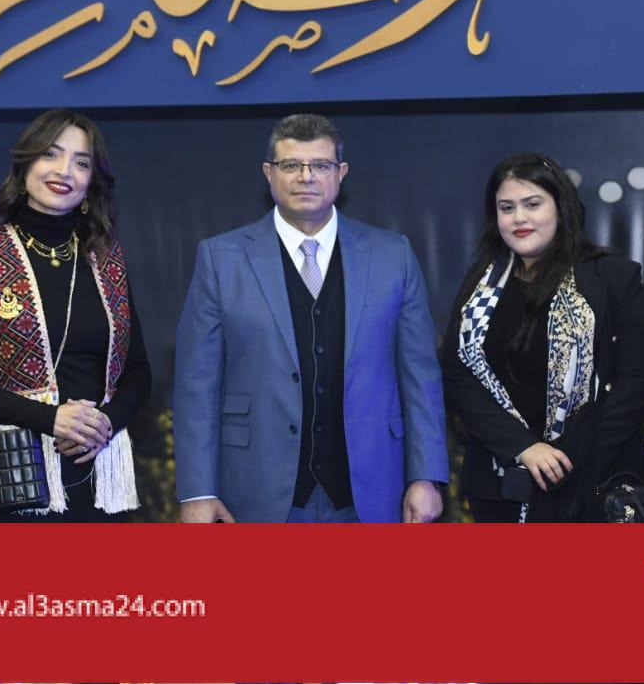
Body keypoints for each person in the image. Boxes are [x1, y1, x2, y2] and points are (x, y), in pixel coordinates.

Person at [173, 113, 448, 523]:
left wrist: (426, 476)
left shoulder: (394, 255)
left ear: (341, 173)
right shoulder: (220, 258)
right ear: (269, 174)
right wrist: (198, 491)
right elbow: (197, 385)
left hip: (372, 489)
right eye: (291, 165)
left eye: (320, 165)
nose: (306, 177)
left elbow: (420, 378)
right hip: (256, 491)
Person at [0, 109, 149, 521]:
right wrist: (52, 419)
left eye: (81, 162)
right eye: (51, 154)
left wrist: (104, 424)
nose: (64, 170)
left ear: (91, 182)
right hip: (15, 472)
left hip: (96, 467)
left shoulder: (106, 261)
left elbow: (138, 372)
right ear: (26, 165)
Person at [444, 153, 644, 522]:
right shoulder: (480, 285)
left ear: (561, 207)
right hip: (501, 485)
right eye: (507, 207)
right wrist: (523, 448)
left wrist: (566, 459)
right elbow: (458, 376)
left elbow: (638, 378)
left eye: (532, 204)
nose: (519, 218)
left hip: (594, 481)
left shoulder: (612, 277)